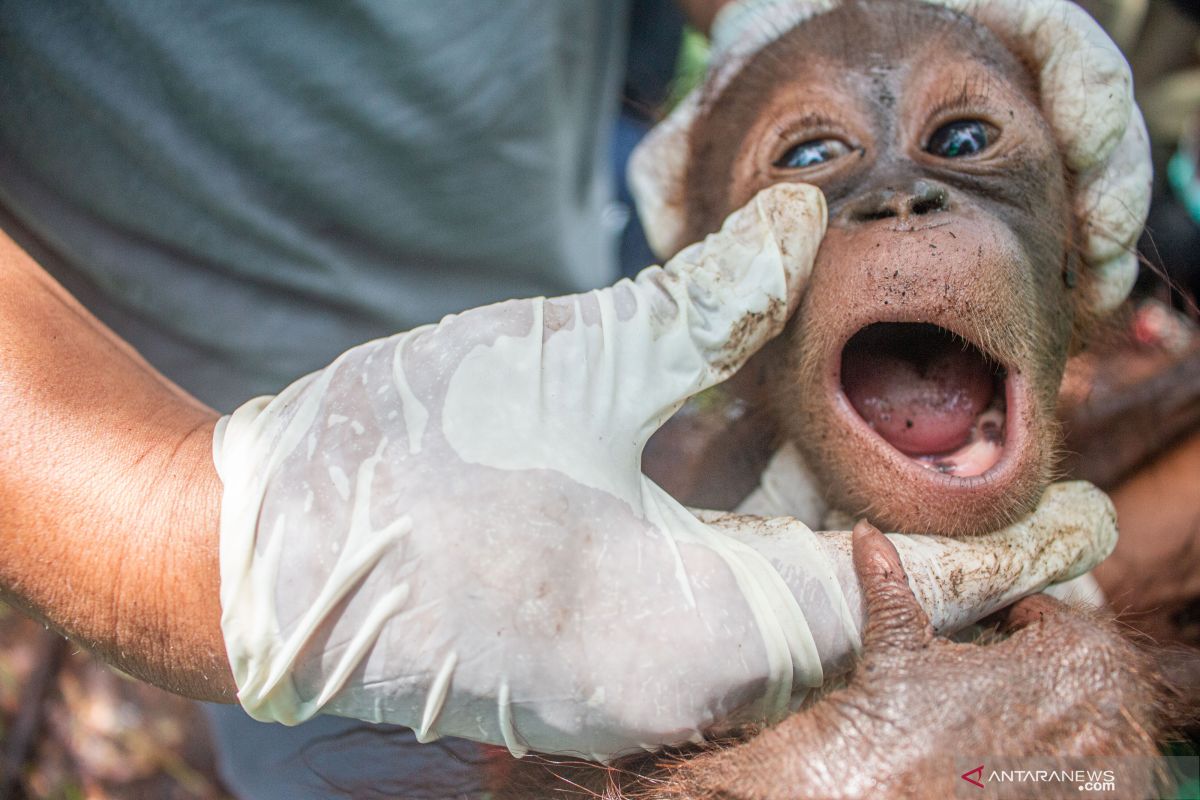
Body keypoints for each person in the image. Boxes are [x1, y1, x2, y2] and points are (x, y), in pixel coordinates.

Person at [0, 1, 1142, 796]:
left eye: (965, 138)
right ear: (729, 285)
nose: (899, 197)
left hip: (566, 239)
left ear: (1077, 253)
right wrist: (202, 534)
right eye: (814, 161)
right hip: (181, 381)